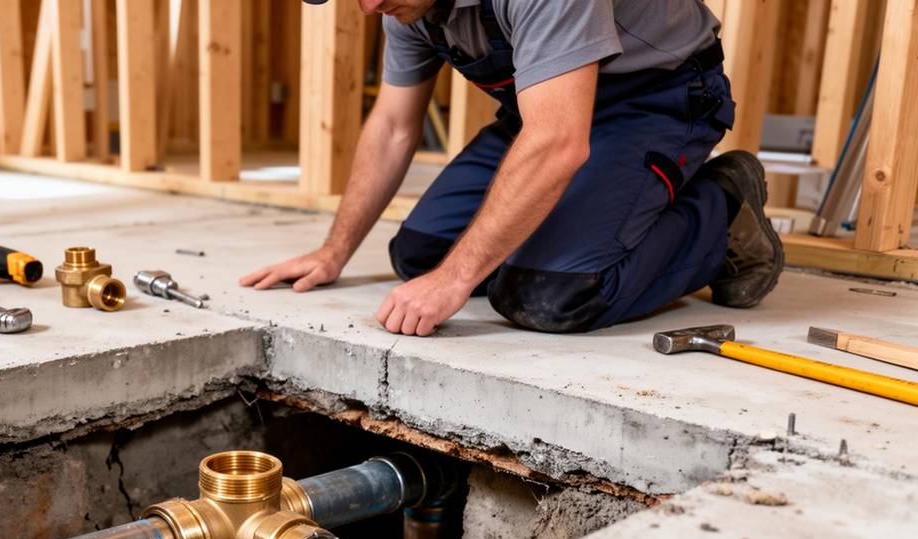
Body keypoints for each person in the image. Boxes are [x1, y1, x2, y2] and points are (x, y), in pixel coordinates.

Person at [239, 0, 784, 336]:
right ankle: (584, 218)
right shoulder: (404, 5)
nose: (368, 5)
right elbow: (393, 125)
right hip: (547, 109)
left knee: (548, 294)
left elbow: (558, 142)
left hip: (655, 101)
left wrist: (455, 281)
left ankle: (723, 208)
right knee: (420, 255)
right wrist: (333, 251)